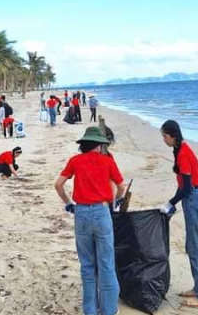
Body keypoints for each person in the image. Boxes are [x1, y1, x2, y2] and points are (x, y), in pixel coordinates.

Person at [55, 127, 126, 315]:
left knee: (87, 265)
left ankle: (90, 310)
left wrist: (68, 203)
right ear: (100, 145)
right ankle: (109, 310)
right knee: (106, 264)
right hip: (102, 212)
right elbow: (121, 187)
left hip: (82, 213)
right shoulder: (107, 161)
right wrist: (115, 201)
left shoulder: (75, 161)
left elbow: (58, 184)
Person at [160, 120, 198, 308]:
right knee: (192, 246)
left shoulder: (183, 153)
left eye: (165, 136)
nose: (164, 140)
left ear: (173, 135)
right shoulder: (180, 149)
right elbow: (183, 185)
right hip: (191, 199)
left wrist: (170, 203)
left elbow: (187, 188)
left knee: (196, 247)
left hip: (195, 199)